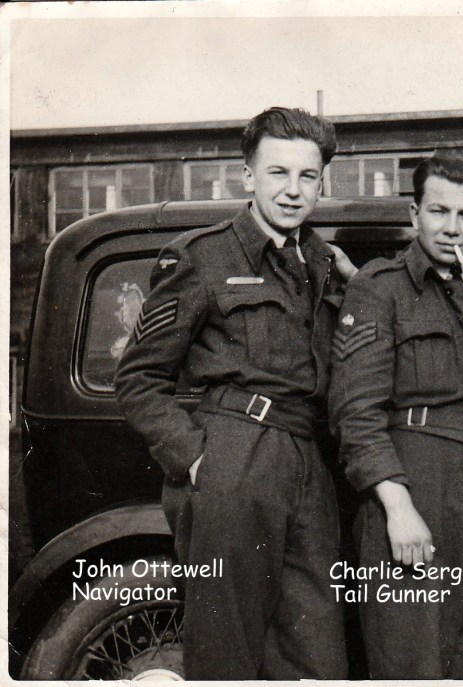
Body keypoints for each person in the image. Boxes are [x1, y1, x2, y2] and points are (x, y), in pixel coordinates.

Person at [114, 107, 355, 680]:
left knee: (316, 653)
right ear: (247, 176)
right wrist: (198, 460)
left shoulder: (324, 262)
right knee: (227, 651)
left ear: (322, 181)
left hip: (308, 461)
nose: (293, 191)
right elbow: (138, 378)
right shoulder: (202, 257)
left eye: (307, 176)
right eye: (278, 173)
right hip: (235, 457)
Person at [328, 152, 463, 679]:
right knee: (411, 658)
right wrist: (398, 508)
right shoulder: (380, 287)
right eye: (437, 211)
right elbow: (357, 413)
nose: (451, 228)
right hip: (418, 481)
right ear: (414, 212)